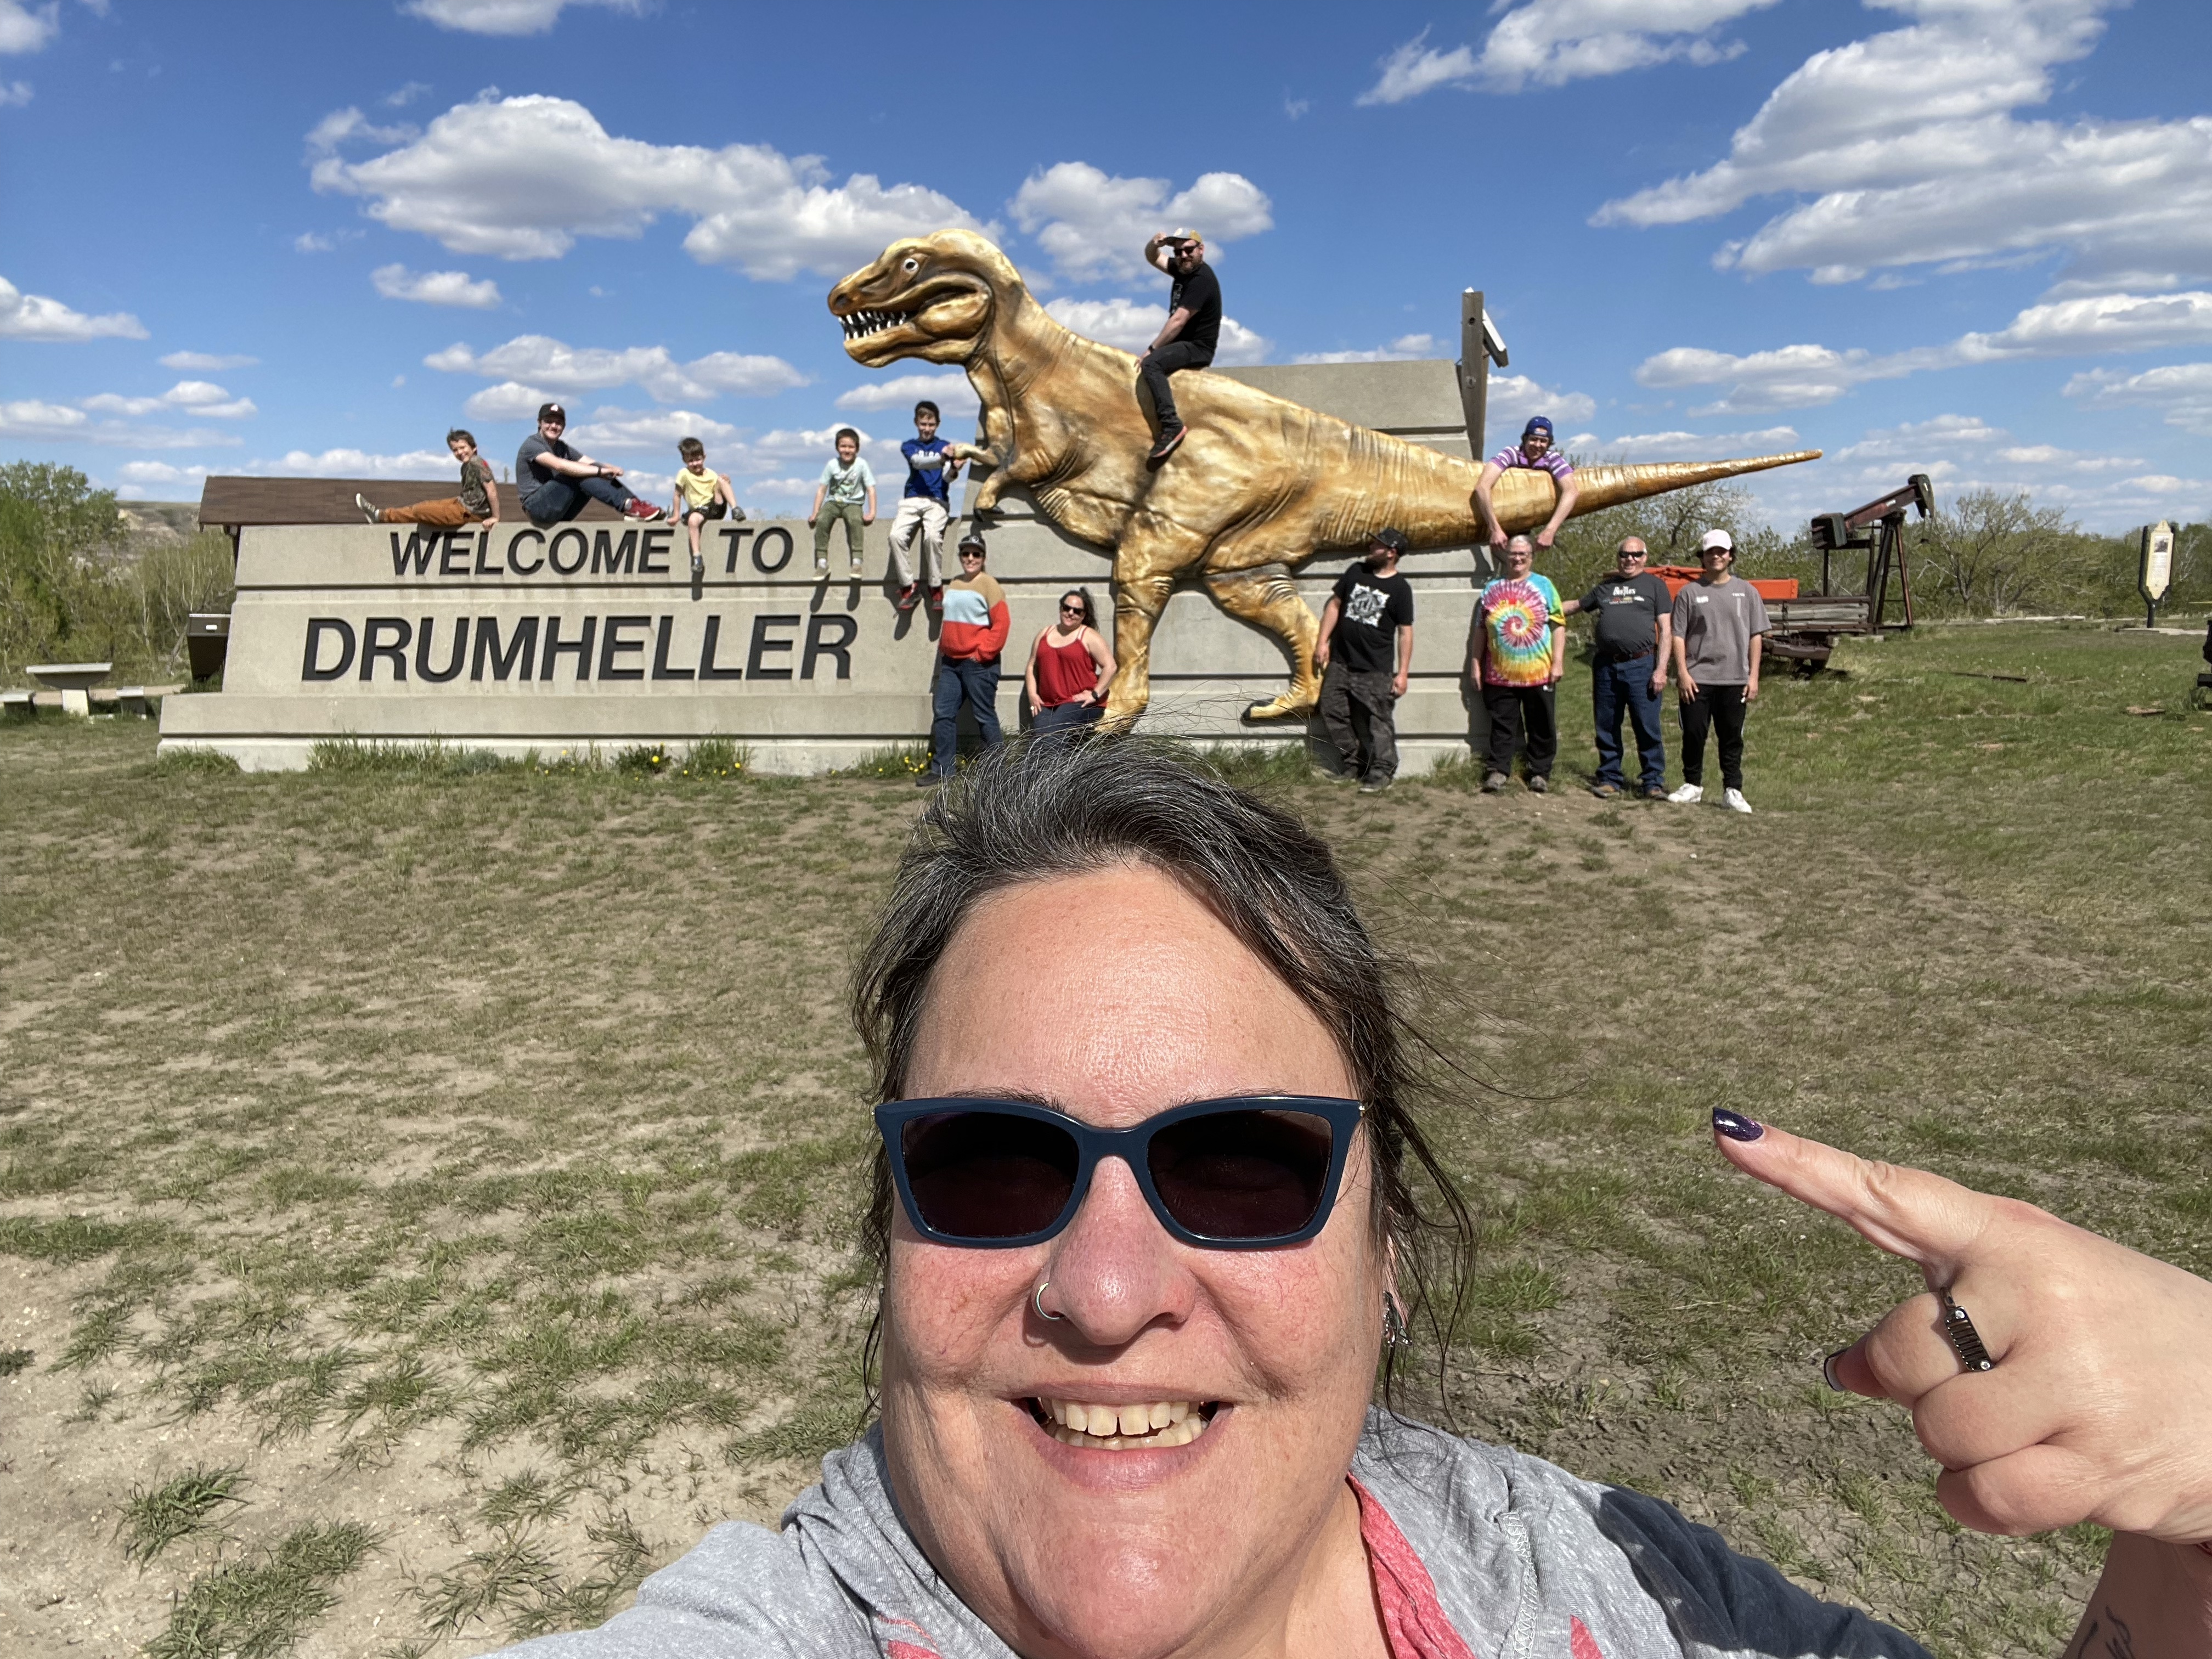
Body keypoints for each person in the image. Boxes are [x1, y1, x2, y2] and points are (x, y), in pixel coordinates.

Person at [499, 734, 2212, 1659]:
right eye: (991, 1163)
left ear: (1386, 1247)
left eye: (1243, 1164)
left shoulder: (1598, 1581)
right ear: (890, 1236)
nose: (1107, 1292)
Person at [1562, 538, 1673, 800]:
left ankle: (1653, 782)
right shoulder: (1605, 587)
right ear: (1618, 557)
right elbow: (1576, 606)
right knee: (1607, 724)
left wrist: (1661, 670)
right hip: (1606, 666)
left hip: (1642, 665)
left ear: (1645, 558)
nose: (1630, 559)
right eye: (1624, 554)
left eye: (1636, 554)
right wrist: (1536, 606)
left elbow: (1666, 630)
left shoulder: (1655, 586)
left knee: (1647, 725)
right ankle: (1610, 778)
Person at [1668, 528, 1767, 814]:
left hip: (1735, 679)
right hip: (1697, 679)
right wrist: (1682, 673)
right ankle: (1692, 785)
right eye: (1711, 552)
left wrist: (1753, 677)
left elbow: (1756, 636)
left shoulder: (1747, 592)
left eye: (1722, 551)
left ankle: (1733, 790)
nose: (1716, 556)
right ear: (1702, 557)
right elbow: (1678, 635)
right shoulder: (1689, 593)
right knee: (1694, 733)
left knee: (1732, 737)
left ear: (1730, 556)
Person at [1314, 528, 1415, 793]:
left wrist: (1403, 673)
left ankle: (1383, 771)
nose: (1371, 547)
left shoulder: (1400, 589)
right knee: (1331, 709)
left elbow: (1405, 632)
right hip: (1341, 661)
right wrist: (1323, 641)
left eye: (1378, 545)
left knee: (1378, 721)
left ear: (1391, 553)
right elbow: (1335, 605)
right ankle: (1354, 763)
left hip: (1375, 668)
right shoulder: (1356, 571)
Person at [1471, 534, 1566, 793]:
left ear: (1531, 557)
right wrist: (1476, 664)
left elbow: (1558, 626)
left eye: (1523, 554)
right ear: (1506, 556)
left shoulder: (1544, 585)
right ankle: (1499, 770)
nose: (1518, 558)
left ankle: (1540, 772)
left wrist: (1558, 662)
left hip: (1539, 671)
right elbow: (1481, 629)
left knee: (1541, 724)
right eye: (1513, 553)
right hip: (1500, 673)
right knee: (1502, 725)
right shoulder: (1491, 589)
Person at [924, 532, 1009, 784]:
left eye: (976, 554)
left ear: (984, 558)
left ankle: (998, 772)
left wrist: (981, 654)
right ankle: (943, 770)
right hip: (951, 664)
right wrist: (945, 647)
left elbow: (1002, 625)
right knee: (943, 714)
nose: (970, 558)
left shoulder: (990, 585)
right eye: (966, 554)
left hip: (978, 664)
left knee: (984, 715)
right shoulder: (955, 583)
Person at [1136, 228, 1220, 467]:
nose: (1183, 255)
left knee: (1152, 364)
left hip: (1198, 348)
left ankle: (1172, 425)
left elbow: (1179, 320)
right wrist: (1154, 244)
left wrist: (1152, 349)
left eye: (1189, 250)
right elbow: (1153, 257)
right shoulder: (1183, 269)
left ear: (1201, 250)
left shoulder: (1201, 279)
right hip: (1182, 344)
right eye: (1178, 252)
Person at [516, 403, 663, 526]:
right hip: (537, 508)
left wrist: (609, 469)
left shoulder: (562, 448)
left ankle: (634, 505)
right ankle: (629, 506)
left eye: (559, 423)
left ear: (564, 426)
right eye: (549, 421)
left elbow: (589, 462)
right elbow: (560, 466)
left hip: (560, 510)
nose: (554, 426)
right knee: (578, 472)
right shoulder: (533, 444)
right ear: (539, 423)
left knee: (590, 470)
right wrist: (599, 471)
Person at [889, 400, 963, 612]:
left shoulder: (945, 445)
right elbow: (918, 463)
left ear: (937, 424)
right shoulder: (909, 446)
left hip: (937, 500)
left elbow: (947, 479)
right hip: (912, 499)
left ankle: (936, 587)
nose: (927, 429)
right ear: (916, 423)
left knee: (931, 537)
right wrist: (943, 458)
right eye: (923, 424)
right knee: (895, 536)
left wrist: (954, 468)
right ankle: (908, 586)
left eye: (931, 425)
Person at [357, 429, 499, 529]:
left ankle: (381, 516)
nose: (460, 452)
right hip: (461, 503)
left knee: (421, 511)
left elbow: (491, 490)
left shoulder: (476, 462)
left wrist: (495, 517)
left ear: (474, 448)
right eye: (455, 450)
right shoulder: (466, 466)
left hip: (470, 512)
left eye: (463, 447)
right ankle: (380, 515)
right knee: (421, 507)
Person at [1475, 416, 1579, 552]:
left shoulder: (1552, 459)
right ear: (1525, 439)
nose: (1538, 445)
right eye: (1534, 439)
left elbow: (1571, 491)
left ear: (1549, 444)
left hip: (1530, 523)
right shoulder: (1512, 453)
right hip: (1500, 520)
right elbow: (1482, 487)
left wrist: (1550, 531)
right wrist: (1495, 529)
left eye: (1543, 441)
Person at [1023, 588, 1115, 736]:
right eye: (1067, 608)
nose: (1071, 613)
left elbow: (1110, 667)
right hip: (1048, 704)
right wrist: (1033, 694)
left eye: (1077, 611)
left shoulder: (1089, 636)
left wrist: (1095, 694)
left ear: (1083, 615)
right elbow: (1031, 666)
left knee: (1053, 737)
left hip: (1078, 702)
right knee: (1038, 741)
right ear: (1061, 608)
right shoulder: (1044, 634)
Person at [668, 437, 741, 577]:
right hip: (699, 510)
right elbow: (677, 495)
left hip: (715, 507)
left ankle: (735, 509)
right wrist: (676, 515)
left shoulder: (711, 474)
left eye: (698, 459)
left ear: (704, 457)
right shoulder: (684, 474)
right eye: (691, 461)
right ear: (684, 461)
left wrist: (726, 481)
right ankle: (697, 557)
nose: (695, 464)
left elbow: (720, 489)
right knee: (693, 521)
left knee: (722, 480)